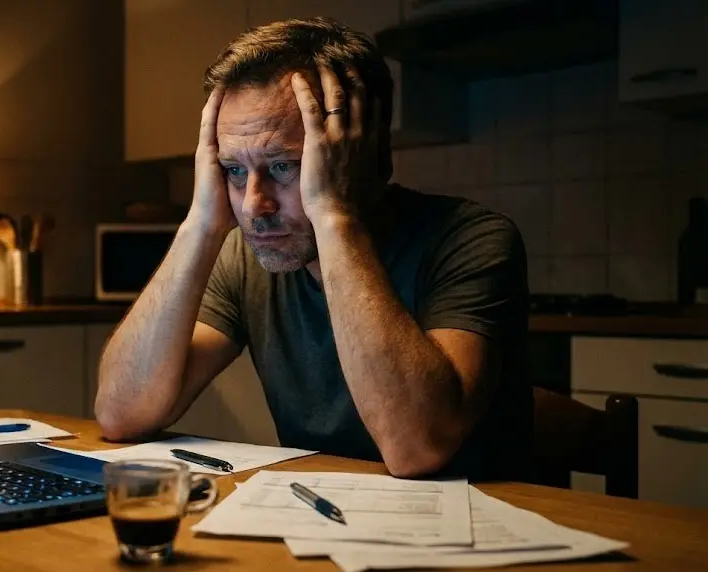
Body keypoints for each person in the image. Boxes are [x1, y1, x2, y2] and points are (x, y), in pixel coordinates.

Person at [95, 17, 532, 480]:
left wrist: (333, 215)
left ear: (361, 149)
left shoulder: (474, 239)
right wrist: (200, 224)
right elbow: (123, 413)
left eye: (285, 166)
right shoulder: (248, 255)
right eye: (234, 171)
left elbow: (416, 448)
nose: (254, 205)